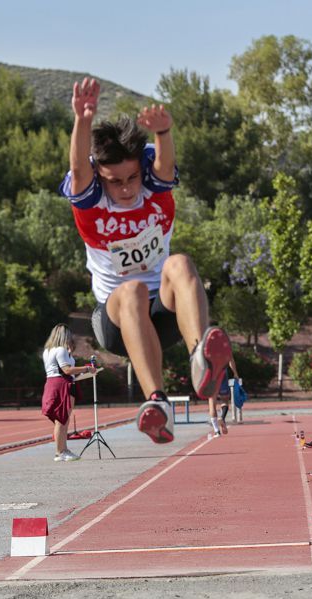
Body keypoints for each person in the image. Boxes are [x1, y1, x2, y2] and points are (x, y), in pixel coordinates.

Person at [60, 78, 232, 446]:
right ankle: (157, 401)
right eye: (114, 181)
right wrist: (82, 121)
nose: (125, 189)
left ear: (143, 168)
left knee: (180, 263)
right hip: (116, 319)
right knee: (133, 288)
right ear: (100, 178)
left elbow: (165, 165)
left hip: (166, 313)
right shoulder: (91, 200)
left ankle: (201, 358)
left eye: (132, 177)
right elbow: (78, 170)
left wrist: (165, 131)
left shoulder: (154, 184)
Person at [42, 324, 95, 463]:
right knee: (62, 419)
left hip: (52, 383)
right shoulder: (60, 350)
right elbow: (66, 370)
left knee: (61, 419)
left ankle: (62, 450)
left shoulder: (48, 350)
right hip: (62, 384)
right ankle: (61, 451)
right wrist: (87, 368)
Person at [207, 358, 240, 437]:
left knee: (212, 402)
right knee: (224, 400)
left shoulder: (205, 346)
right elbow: (231, 359)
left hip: (210, 374)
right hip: (222, 373)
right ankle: (222, 417)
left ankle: (216, 431)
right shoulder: (224, 345)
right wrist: (235, 373)